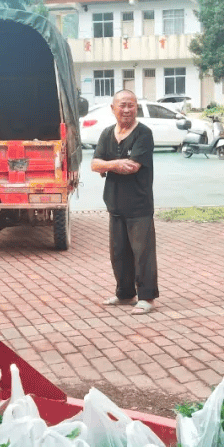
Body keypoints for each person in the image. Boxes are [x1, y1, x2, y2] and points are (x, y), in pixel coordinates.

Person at [91, 89, 159, 314]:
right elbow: (94, 164)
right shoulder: (106, 134)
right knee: (119, 253)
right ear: (113, 109)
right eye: (122, 105)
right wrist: (114, 164)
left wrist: (107, 165)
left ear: (136, 107)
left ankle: (147, 298)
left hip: (139, 205)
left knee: (142, 253)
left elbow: (133, 167)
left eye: (131, 105)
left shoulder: (143, 134)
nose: (127, 109)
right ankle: (125, 294)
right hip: (115, 204)